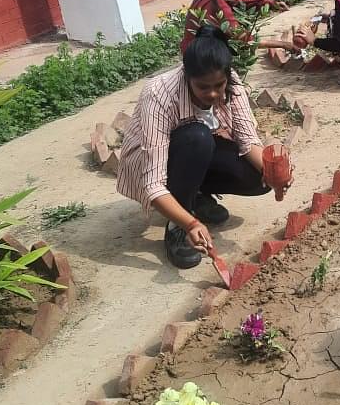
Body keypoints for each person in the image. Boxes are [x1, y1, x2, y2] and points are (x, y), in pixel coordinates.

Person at [118, 27, 279, 269]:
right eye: (203, 87)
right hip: (154, 163)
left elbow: (247, 141)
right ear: (187, 77)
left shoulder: (231, 83)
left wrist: (273, 173)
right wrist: (190, 224)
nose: (213, 93)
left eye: (219, 85)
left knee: (259, 177)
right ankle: (177, 225)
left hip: (195, 154)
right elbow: (153, 183)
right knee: (197, 137)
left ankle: (195, 197)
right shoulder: (159, 93)